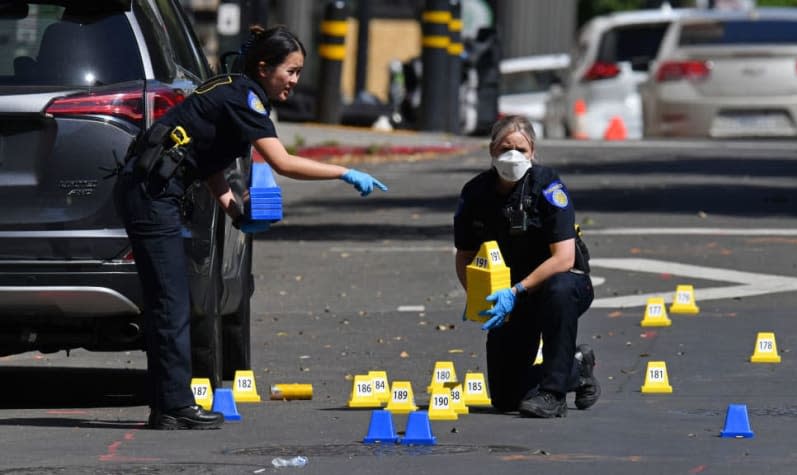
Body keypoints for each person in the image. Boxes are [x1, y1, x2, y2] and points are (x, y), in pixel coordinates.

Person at [114, 25, 387, 430]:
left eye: (297, 72)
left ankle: (167, 403)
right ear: (264, 67)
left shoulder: (236, 91)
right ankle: (173, 406)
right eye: (290, 71)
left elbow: (209, 166)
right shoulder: (244, 98)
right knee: (170, 302)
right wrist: (345, 172)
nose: (295, 81)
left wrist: (236, 214)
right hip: (151, 195)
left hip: (153, 192)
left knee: (170, 301)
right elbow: (283, 162)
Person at [453, 115, 597, 418]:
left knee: (559, 289)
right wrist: (477, 296)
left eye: (521, 149)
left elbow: (564, 258)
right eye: (506, 148)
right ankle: (576, 367)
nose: (513, 156)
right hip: (511, 296)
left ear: (533, 152)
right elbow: (464, 254)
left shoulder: (548, 187)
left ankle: (553, 394)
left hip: (557, 285)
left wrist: (516, 291)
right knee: (506, 398)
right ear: (492, 150)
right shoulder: (475, 193)